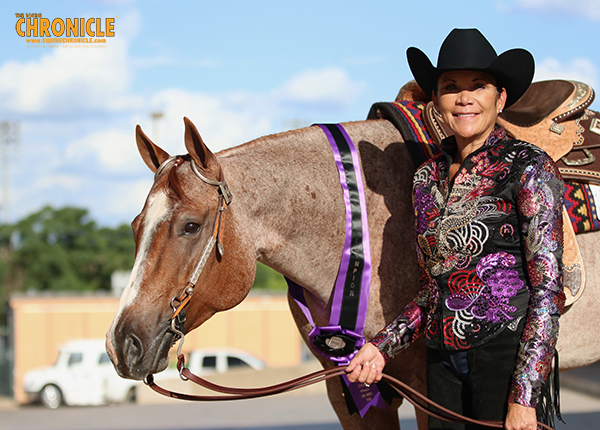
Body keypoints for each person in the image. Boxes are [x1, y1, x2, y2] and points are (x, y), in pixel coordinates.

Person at [346, 28, 565, 430]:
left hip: (506, 356)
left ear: (499, 99)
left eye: (477, 86)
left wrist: (525, 396)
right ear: (436, 101)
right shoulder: (425, 179)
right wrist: (380, 347)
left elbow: (548, 289)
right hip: (441, 359)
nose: (464, 98)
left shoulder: (528, 167)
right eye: (451, 87)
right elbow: (434, 289)